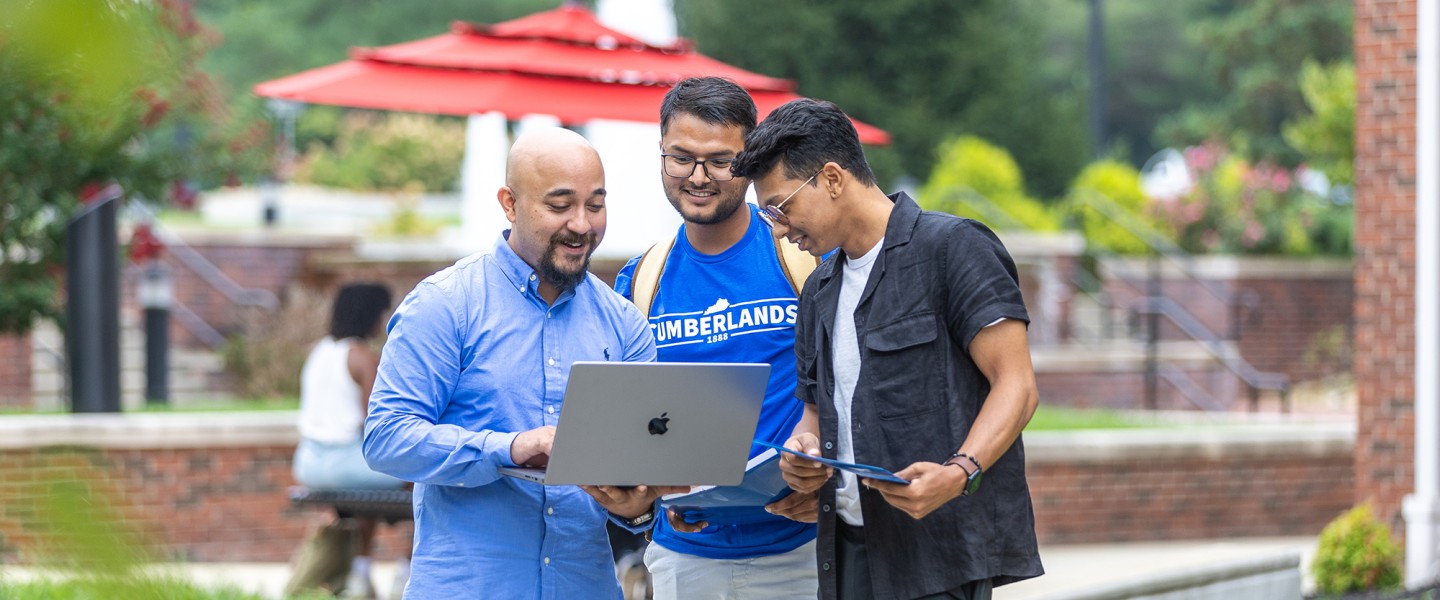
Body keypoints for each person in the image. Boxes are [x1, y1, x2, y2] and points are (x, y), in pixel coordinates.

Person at [732, 99, 1045, 600]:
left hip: (939, 554)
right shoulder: (818, 291)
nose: (780, 228)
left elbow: (1018, 385)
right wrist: (802, 454)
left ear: (832, 179)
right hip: (848, 551)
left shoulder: (953, 248)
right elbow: (815, 414)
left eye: (781, 207)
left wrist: (958, 471)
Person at [362, 127, 676, 598]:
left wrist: (636, 503)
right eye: (559, 205)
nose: (582, 224)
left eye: (595, 205)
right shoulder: (446, 304)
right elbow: (386, 438)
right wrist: (507, 447)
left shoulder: (624, 324)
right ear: (509, 204)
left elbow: (639, 468)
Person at [612, 76, 819, 599]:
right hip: (686, 557)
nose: (699, 177)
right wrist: (651, 498)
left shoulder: (802, 258)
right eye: (681, 158)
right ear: (660, 154)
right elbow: (628, 417)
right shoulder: (641, 279)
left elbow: (858, 385)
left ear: (750, 160)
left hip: (803, 551)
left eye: (720, 160)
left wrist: (833, 484)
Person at [292, 282, 407, 599]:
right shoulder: (362, 357)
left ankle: (361, 574)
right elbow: (377, 424)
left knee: (366, 495)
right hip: (346, 465)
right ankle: (406, 572)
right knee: (424, 473)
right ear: (371, 315)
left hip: (309, 463)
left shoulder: (318, 351)